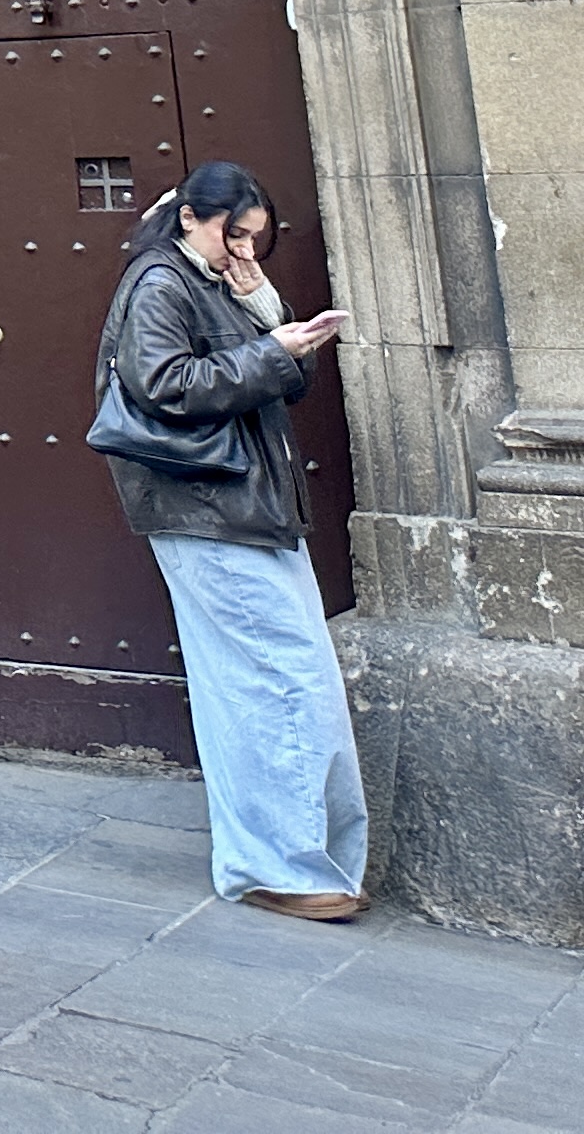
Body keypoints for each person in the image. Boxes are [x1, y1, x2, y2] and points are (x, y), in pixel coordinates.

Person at [101, 163, 365, 920]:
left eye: (255, 238)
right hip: (209, 507)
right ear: (190, 217)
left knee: (273, 679)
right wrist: (272, 348)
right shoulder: (161, 282)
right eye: (234, 232)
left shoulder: (211, 282)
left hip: (243, 507)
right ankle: (280, 867)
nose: (243, 249)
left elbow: (277, 383)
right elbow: (165, 385)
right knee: (277, 680)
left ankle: (298, 863)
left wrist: (264, 311)